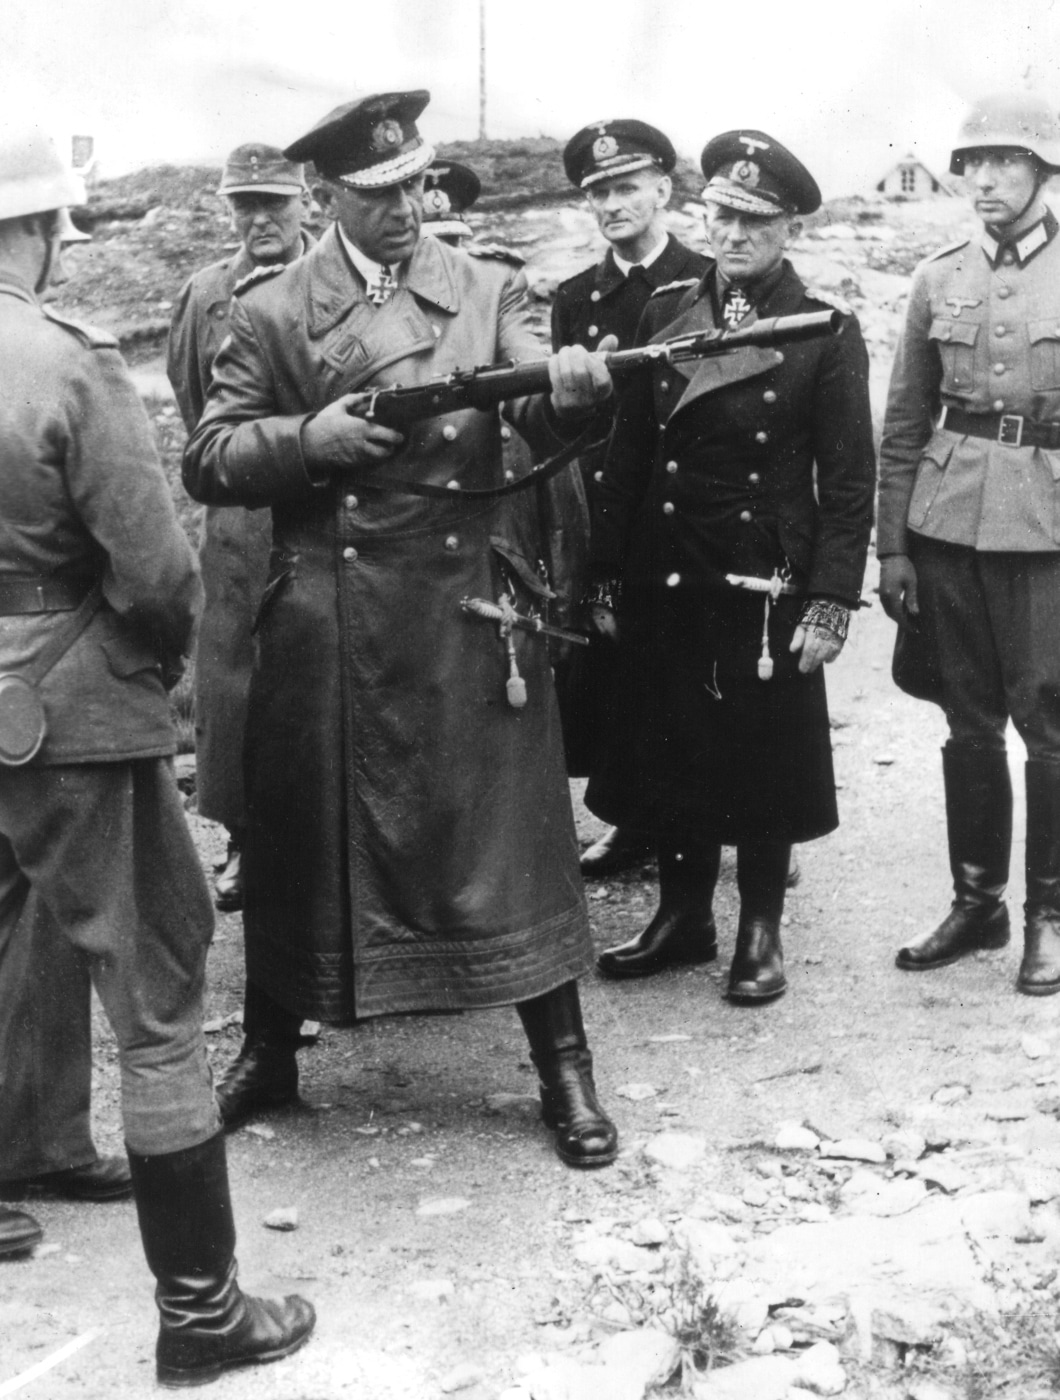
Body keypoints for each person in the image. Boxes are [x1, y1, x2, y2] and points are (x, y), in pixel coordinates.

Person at [182, 90, 619, 1169]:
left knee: (505, 846)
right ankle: (270, 1049)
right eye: (378, 194)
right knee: (299, 846)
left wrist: (570, 394)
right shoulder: (273, 309)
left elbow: (528, 396)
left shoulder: (488, 288)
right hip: (329, 621)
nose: (406, 209)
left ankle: (564, 1066)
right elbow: (210, 453)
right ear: (326, 195)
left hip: (465, 609)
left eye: (415, 185)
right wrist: (308, 439)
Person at [0, 124, 313, 1384]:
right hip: (71, 714)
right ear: (27, 233)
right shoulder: (65, 364)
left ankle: (31, 1146)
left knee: (19, 925)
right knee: (162, 991)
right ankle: (200, 1314)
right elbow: (159, 568)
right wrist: (158, 662)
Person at [587, 130, 875, 999]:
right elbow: (626, 454)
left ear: (788, 227)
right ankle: (682, 920)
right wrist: (605, 571)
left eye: (755, 219)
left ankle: (758, 932)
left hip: (761, 582)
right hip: (670, 565)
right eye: (721, 214)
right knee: (673, 743)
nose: (735, 234)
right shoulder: (666, 310)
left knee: (762, 753)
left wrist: (829, 603)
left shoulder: (826, 329)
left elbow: (850, 482)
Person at [878, 93, 1060, 996]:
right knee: (967, 719)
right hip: (944, 523)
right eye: (973, 163)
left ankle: (1048, 916)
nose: (985, 179)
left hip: (1049, 529)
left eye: (1007, 163)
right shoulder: (935, 276)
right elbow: (905, 419)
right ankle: (978, 903)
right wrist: (891, 549)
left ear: (1044, 173)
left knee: (1049, 721)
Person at [553, 120, 707, 879]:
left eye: (624, 187)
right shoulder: (576, 297)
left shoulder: (712, 280)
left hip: (693, 511)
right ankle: (633, 818)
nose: (611, 203)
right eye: (597, 192)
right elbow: (565, 422)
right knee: (616, 667)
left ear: (662, 191)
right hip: (609, 510)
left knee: (706, 664)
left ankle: (738, 813)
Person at [167, 145, 313, 912]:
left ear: (304, 202)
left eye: (274, 202)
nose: (260, 218)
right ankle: (247, 841)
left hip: (325, 507)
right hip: (243, 517)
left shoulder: (337, 281)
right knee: (237, 683)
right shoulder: (205, 294)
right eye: (244, 204)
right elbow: (196, 402)